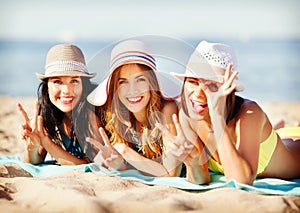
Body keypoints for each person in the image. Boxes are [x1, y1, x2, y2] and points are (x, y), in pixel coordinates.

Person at [160, 40, 300, 185]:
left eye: (212, 85)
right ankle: (279, 127)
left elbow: (241, 181)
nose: (198, 94)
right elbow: (201, 179)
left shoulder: (250, 113)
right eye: (192, 82)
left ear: (228, 90)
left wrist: (217, 116)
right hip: (275, 138)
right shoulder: (188, 115)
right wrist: (193, 162)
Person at [86, 39, 188, 178]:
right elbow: (104, 161)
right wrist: (118, 164)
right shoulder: (117, 115)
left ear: (152, 83)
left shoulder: (167, 110)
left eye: (140, 80)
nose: (132, 90)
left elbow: (170, 173)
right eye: (123, 82)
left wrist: (125, 151)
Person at [18, 44, 102, 165]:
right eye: (57, 81)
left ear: (84, 85)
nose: (66, 90)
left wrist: (46, 142)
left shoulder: (92, 113)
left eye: (74, 81)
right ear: (47, 87)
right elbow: (35, 160)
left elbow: (90, 166)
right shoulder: (49, 113)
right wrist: (32, 147)